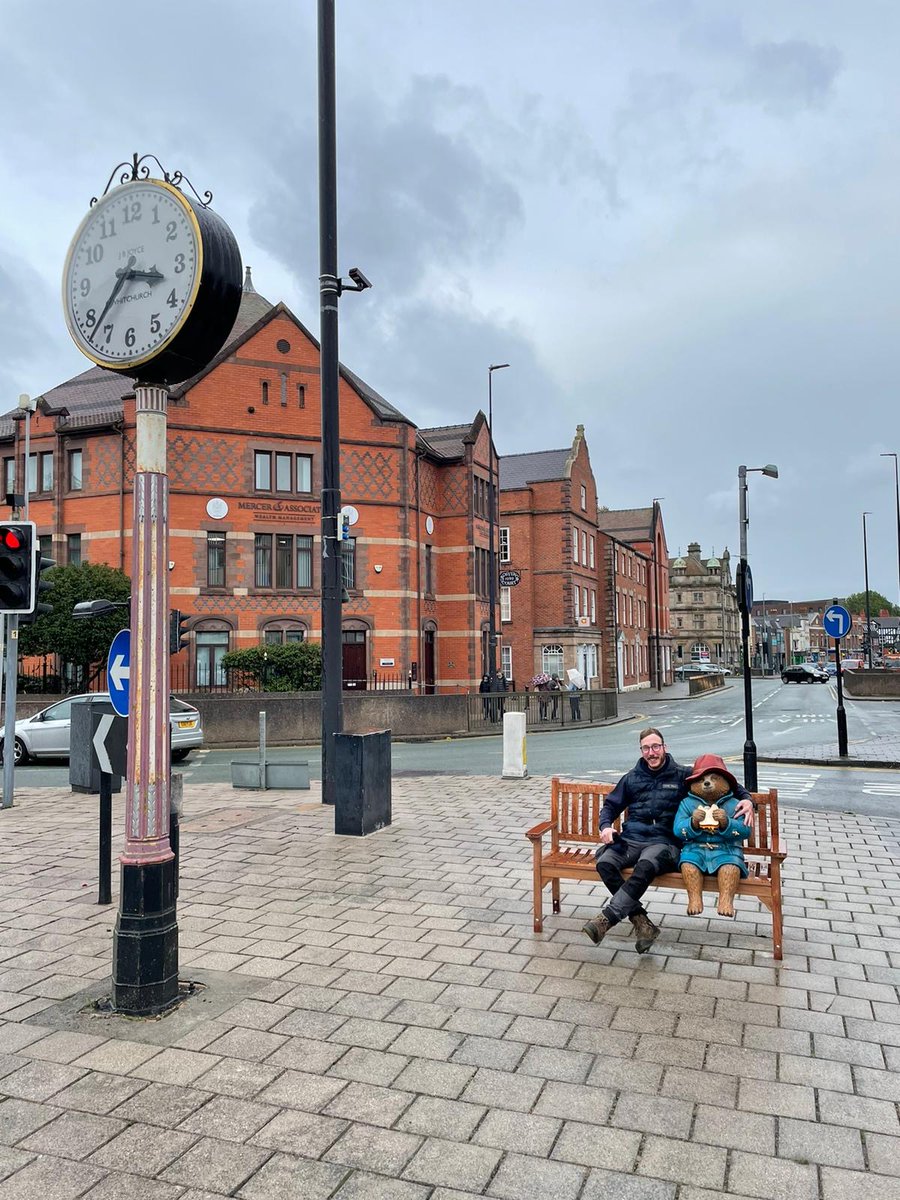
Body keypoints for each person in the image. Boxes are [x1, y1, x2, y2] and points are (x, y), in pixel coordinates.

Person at [582, 728, 754, 953]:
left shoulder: (682, 775)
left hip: (663, 843)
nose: (651, 752)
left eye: (656, 747)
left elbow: (726, 783)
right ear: (641, 750)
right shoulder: (631, 778)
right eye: (646, 748)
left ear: (664, 748)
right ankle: (642, 923)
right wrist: (605, 827)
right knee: (604, 863)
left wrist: (748, 799)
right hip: (631, 839)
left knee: (645, 866)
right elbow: (611, 806)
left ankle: (607, 918)